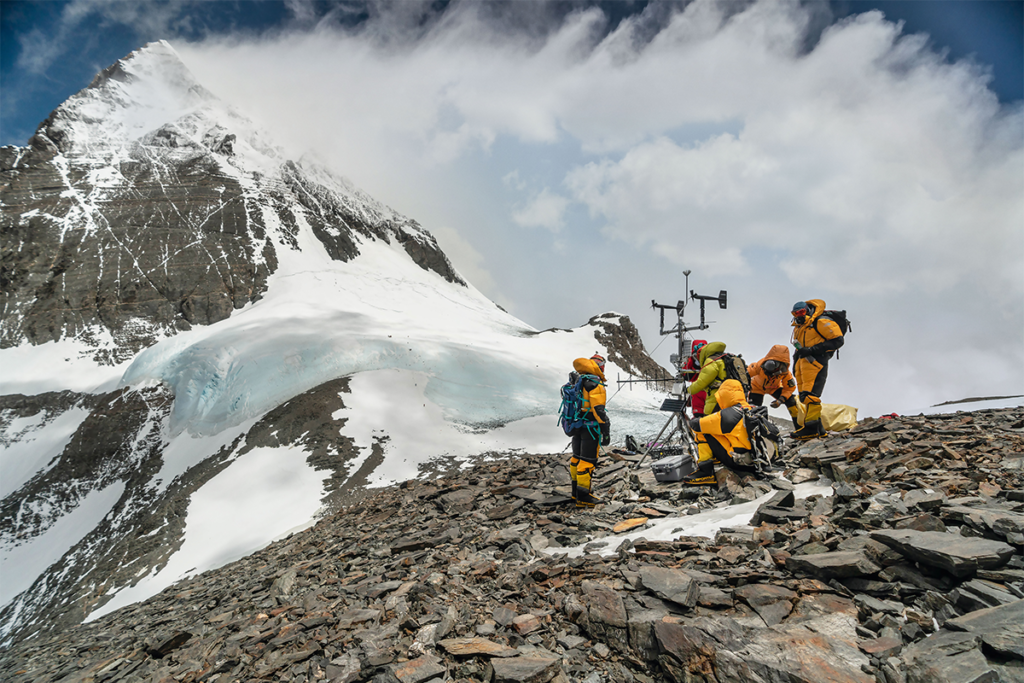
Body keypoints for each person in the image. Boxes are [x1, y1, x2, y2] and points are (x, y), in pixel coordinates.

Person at [682, 379, 760, 486]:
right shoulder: (752, 408)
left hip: (740, 462)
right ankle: (715, 458)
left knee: (703, 431)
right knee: (722, 431)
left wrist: (694, 420)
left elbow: (697, 425)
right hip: (757, 460)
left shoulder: (727, 414)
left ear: (724, 396)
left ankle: (706, 472)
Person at [790, 300, 845, 440]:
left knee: (811, 396)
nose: (798, 315)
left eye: (801, 312)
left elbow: (838, 340)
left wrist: (811, 350)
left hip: (816, 363)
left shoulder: (820, 322)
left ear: (808, 310)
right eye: (795, 313)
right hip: (803, 364)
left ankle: (810, 429)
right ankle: (820, 431)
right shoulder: (800, 326)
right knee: (804, 396)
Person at [569, 353, 610, 508]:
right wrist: (605, 429)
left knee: (576, 458)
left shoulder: (578, 380)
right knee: (587, 461)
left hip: (578, 425)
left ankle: (575, 493)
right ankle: (584, 496)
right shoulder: (594, 382)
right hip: (591, 427)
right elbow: (598, 409)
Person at [748, 345, 801, 429]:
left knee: (791, 401)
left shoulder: (785, 373)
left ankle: (800, 428)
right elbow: (745, 374)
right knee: (753, 408)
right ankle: (757, 431)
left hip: (774, 387)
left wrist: (781, 400)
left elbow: (789, 388)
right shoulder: (759, 365)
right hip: (756, 387)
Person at [686, 341, 728, 414]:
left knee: (706, 422)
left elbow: (701, 382)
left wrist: (688, 390)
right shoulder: (723, 358)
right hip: (727, 399)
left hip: (713, 399)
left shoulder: (711, 361)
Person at [679, 340, 708, 418]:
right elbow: (687, 376)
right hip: (701, 394)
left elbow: (687, 376)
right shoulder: (691, 361)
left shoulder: (710, 360)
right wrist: (695, 364)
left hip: (701, 393)